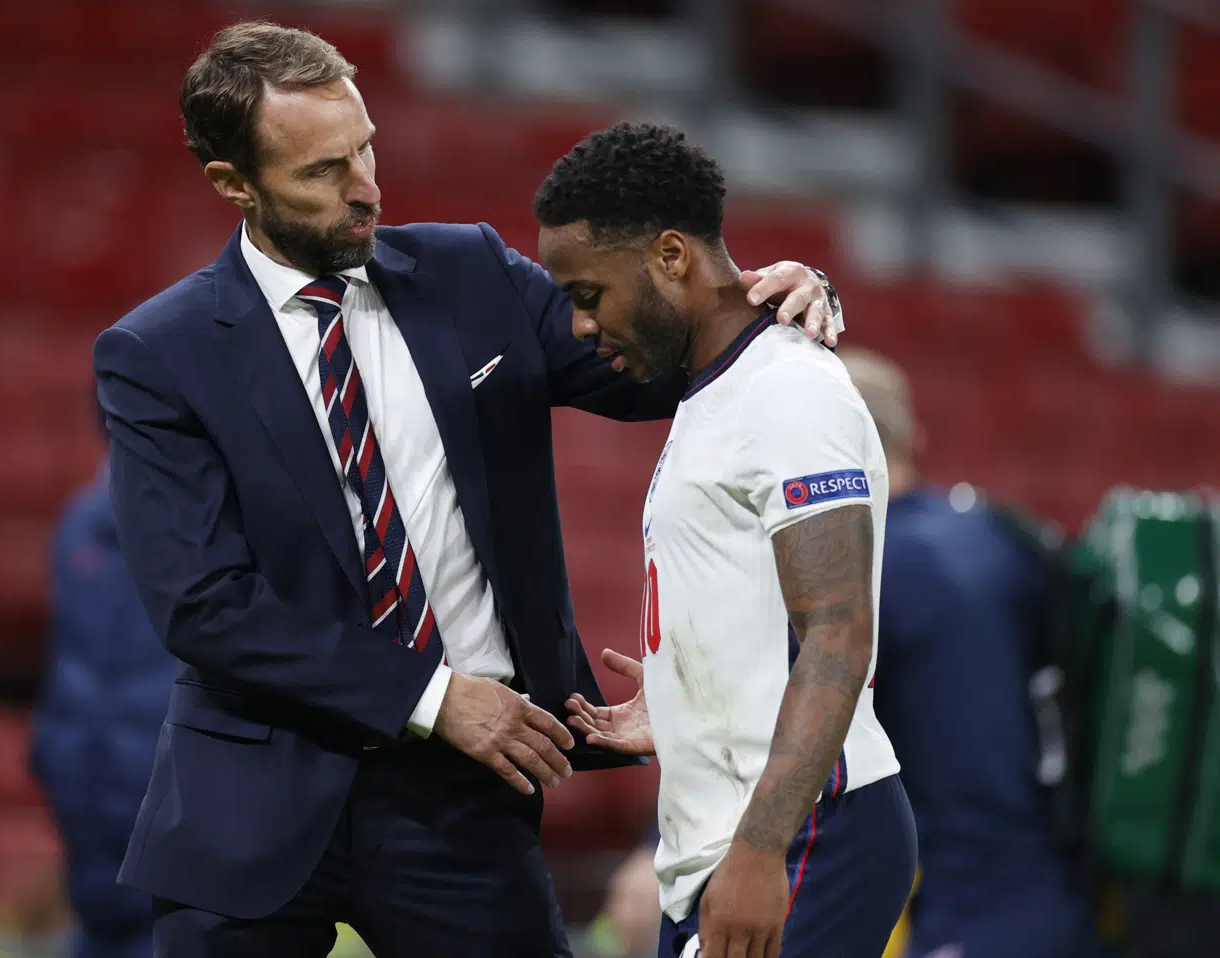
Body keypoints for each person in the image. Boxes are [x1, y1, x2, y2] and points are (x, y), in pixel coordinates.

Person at [94, 21, 845, 958]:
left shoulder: (470, 273)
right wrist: (432, 693)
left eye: (366, 148)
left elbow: (663, 365)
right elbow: (205, 604)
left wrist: (772, 303)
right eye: (323, 172)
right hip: (255, 797)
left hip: (461, 795)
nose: (365, 186)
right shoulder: (158, 357)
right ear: (233, 185)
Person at [548, 122, 917, 958]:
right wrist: (688, 697)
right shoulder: (713, 392)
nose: (577, 325)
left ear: (671, 257)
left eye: (588, 294)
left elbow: (837, 628)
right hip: (731, 842)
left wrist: (760, 854)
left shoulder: (787, 388)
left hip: (801, 835)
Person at [839, 348, 1095, 958]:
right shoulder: (1001, 534)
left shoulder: (858, 573)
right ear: (915, 440)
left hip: (958, 917)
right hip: (1067, 905)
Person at [30, 470, 180, 958]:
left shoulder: (213, 524)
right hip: (93, 820)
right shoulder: (80, 523)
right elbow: (67, 664)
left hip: (170, 829)